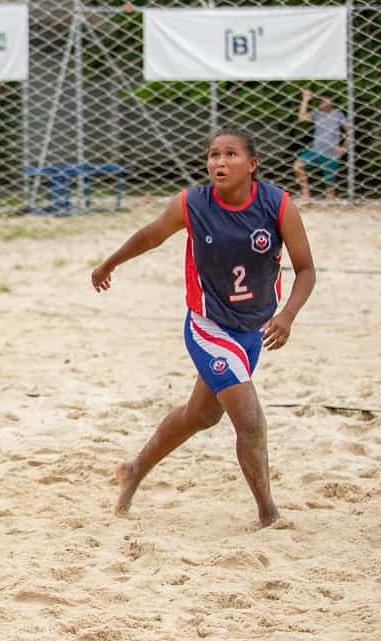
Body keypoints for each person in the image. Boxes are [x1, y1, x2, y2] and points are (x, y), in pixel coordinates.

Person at [91, 128, 315, 528]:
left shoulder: (278, 206)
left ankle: (133, 469)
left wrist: (288, 315)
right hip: (208, 327)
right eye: (213, 155)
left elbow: (306, 270)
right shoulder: (193, 203)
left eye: (230, 154)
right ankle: (268, 515)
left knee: (201, 415)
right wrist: (109, 263)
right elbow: (151, 236)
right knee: (249, 419)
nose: (219, 162)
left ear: (253, 165)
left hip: (253, 331)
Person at [293, 89, 348, 200]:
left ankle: (330, 208)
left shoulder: (338, 114)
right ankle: (306, 195)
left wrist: (344, 147)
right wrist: (305, 100)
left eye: (327, 101)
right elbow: (301, 118)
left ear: (331, 102)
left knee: (330, 190)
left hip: (331, 153)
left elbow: (349, 131)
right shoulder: (317, 113)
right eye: (322, 101)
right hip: (316, 150)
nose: (324, 103)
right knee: (298, 166)